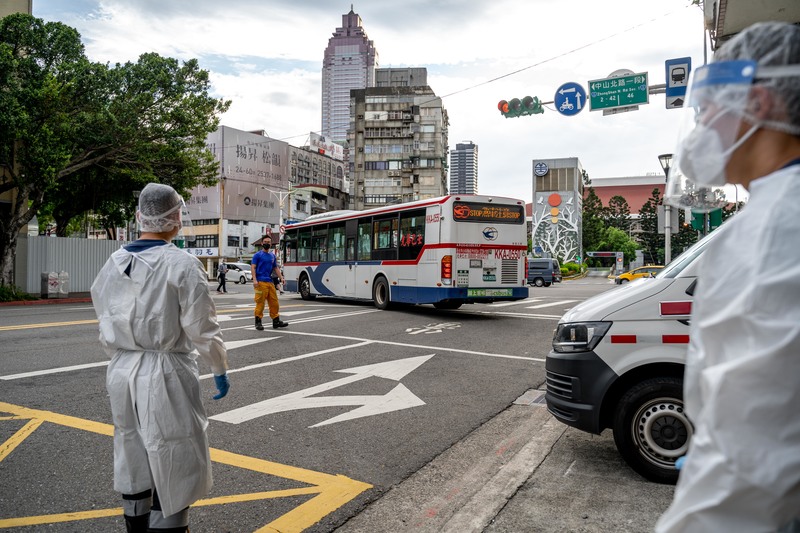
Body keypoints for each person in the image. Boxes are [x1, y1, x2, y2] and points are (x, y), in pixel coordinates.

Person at [656, 21, 800, 532]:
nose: (699, 128)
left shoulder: (773, 230)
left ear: (758, 104)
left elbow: (754, 458)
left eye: (707, 109)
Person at [90, 183, 230, 533]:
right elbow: (202, 326)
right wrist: (219, 366)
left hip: (122, 369)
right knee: (175, 454)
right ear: (173, 217)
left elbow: (104, 315)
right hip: (165, 370)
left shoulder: (115, 261)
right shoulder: (182, 263)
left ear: (141, 216)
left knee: (132, 449)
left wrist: (122, 356)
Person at [251, 235, 288, 330]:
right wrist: (254, 280)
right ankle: (258, 322)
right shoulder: (257, 255)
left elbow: (276, 268)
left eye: (269, 242)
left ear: (271, 244)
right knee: (260, 303)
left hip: (270, 282)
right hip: (260, 283)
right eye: (265, 242)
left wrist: (281, 278)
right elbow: (253, 267)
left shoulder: (272, 256)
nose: (267, 243)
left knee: (274, 302)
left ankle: (276, 321)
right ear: (262, 243)